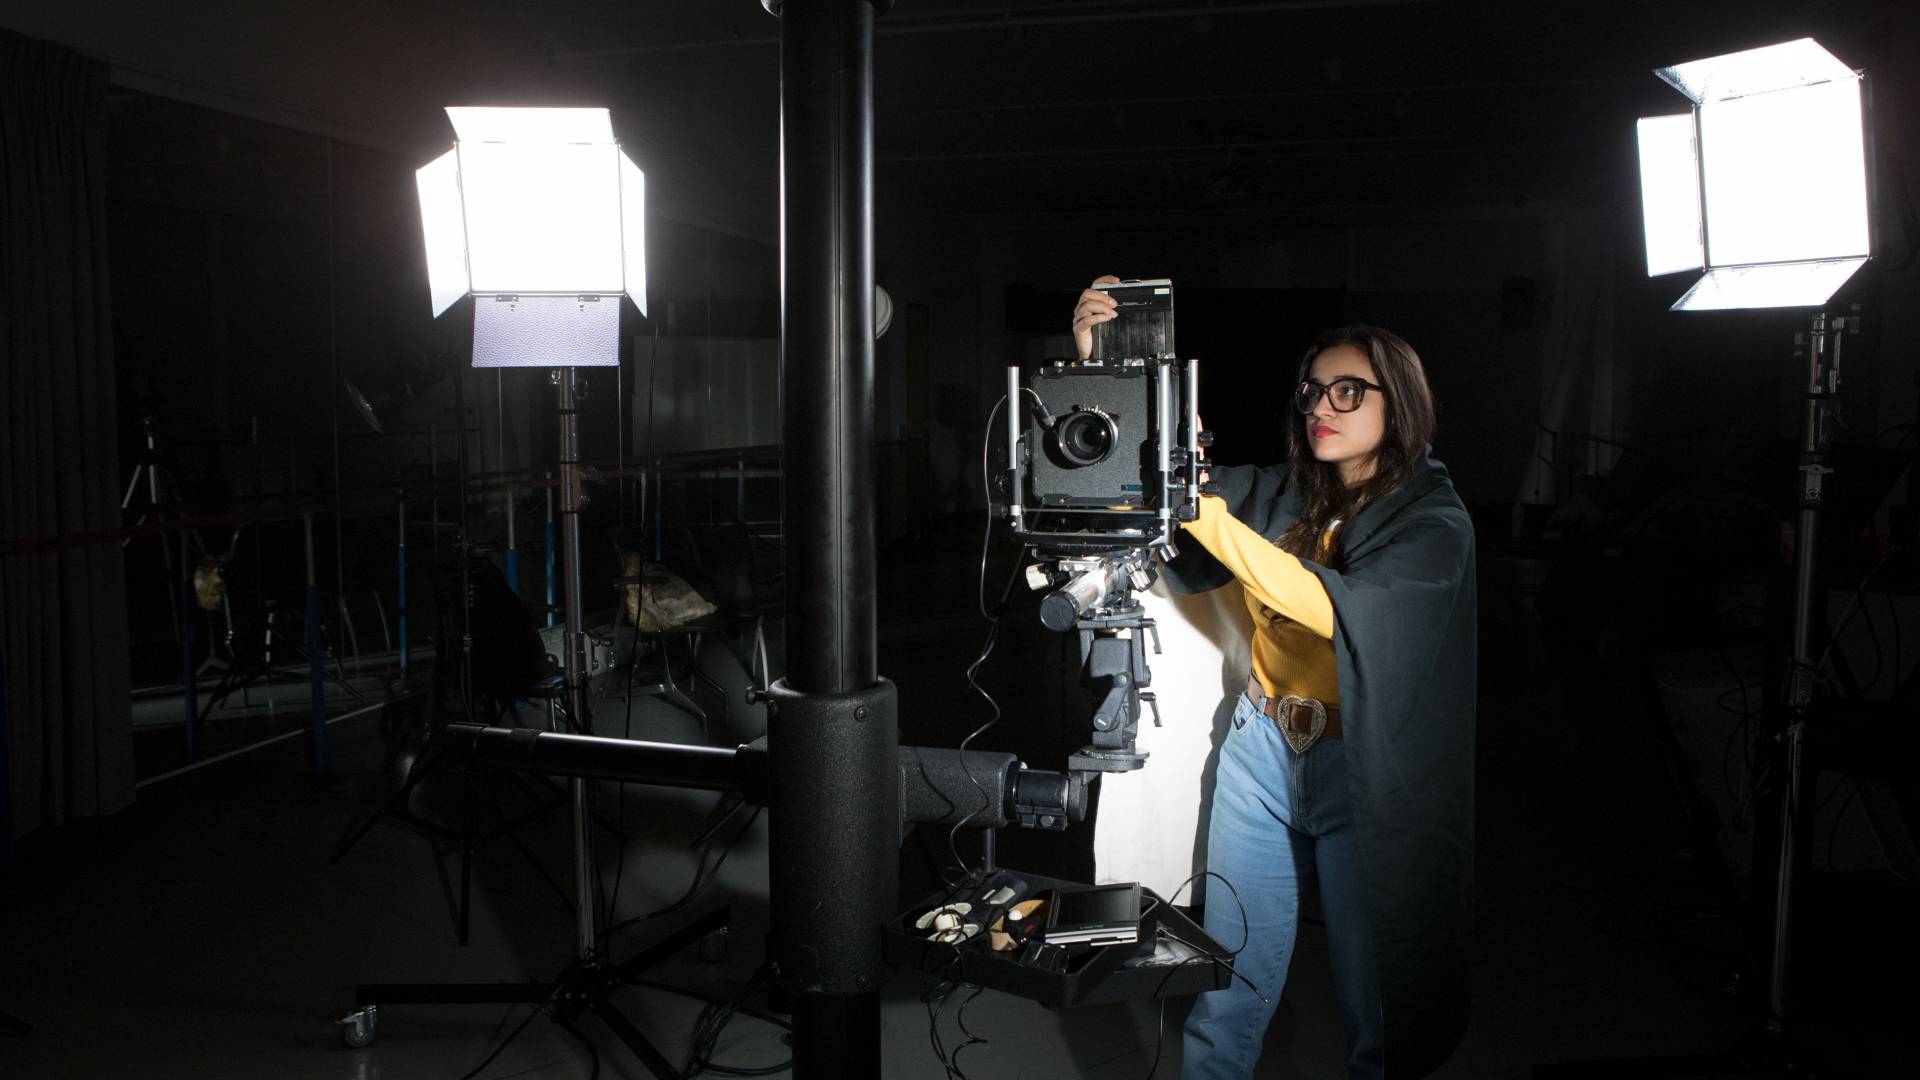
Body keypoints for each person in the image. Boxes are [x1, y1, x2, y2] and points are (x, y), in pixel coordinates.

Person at [1073, 280, 1478, 1079]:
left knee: (1380, 996)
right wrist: (1104, 371)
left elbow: (1329, 607)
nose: (1320, 405)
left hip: (1361, 768)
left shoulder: (1433, 519)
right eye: (1312, 390)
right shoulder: (1289, 492)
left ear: (1399, 403)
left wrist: (1208, 515)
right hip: (1261, 751)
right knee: (1232, 979)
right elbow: (1164, 483)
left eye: (1348, 391)